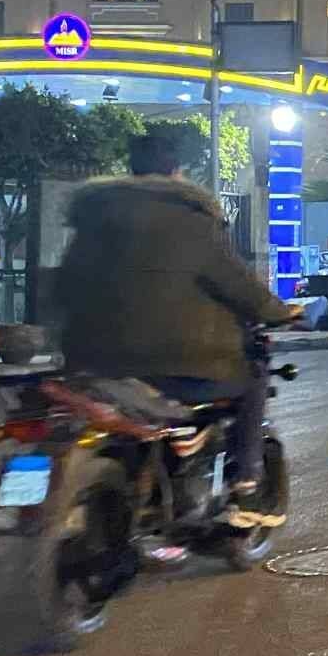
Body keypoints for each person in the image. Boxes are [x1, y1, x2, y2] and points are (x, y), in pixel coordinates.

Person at [52, 127, 292, 525]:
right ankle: (247, 486)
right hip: (172, 365)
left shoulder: (93, 218)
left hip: (91, 360)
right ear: (177, 172)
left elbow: (64, 284)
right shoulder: (192, 221)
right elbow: (238, 285)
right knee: (253, 376)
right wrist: (282, 313)